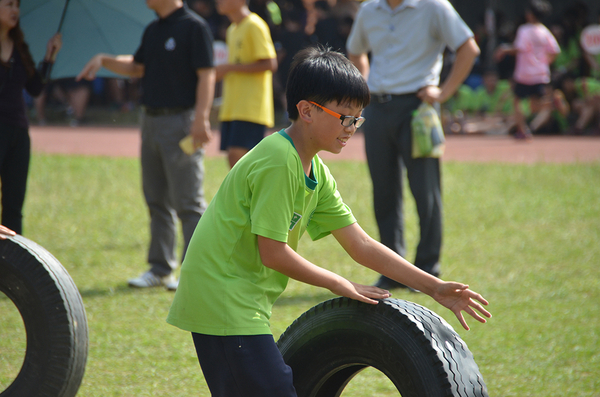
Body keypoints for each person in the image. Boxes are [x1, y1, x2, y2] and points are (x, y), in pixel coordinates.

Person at [166, 46, 491, 396]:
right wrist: (339, 283)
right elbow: (273, 253)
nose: (352, 128)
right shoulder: (279, 160)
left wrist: (434, 287)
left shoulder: (315, 171)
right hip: (220, 295)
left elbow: (360, 244)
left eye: (358, 119)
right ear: (306, 110)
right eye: (344, 117)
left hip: (243, 299)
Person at [77, 0, 215, 291]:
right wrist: (104, 59)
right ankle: (160, 268)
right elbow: (137, 67)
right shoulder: (153, 29)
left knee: (189, 202)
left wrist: (201, 118)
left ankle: (193, 271)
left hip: (181, 121)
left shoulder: (194, 27)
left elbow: (207, 74)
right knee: (155, 198)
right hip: (150, 121)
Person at [346, 0, 480, 290]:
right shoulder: (370, 10)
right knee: (383, 190)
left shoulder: (434, 7)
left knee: (425, 189)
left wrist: (443, 93)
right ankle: (393, 269)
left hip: (418, 107)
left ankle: (427, 266)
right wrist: (365, 83)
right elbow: (355, 50)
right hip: (378, 108)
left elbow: (469, 48)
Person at [1, 0, 62, 235]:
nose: (15, 10)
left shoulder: (19, 48)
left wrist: (49, 57)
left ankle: (11, 267)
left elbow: (35, 88)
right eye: (8, 5)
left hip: (18, 131)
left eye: (17, 5)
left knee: (14, 206)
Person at [215, 0, 277, 168]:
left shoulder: (255, 24)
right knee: (232, 159)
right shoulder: (232, 29)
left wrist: (229, 68)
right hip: (232, 107)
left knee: (239, 157)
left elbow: (270, 64)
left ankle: (252, 195)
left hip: (250, 107)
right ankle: (242, 195)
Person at [494, 0, 560, 140]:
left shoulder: (524, 29)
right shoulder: (544, 31)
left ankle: (523, 130)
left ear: (530, 14)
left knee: (517, 101)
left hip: (524, 73)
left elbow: (519, 48)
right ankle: (548, 105)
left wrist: (504, 49)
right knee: (535, 104)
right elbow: (555, 50)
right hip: (541, 73)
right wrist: (545, 61)